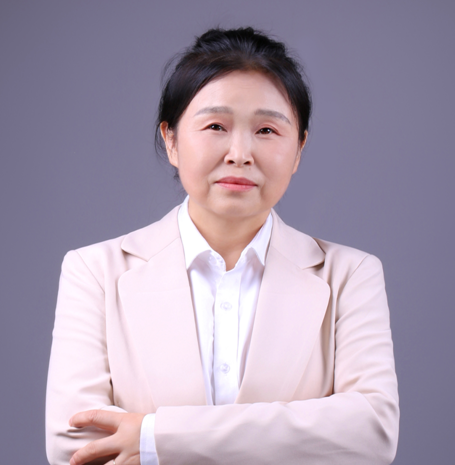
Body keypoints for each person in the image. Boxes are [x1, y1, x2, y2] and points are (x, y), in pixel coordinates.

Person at [45, 27, 399, 465]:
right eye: (216, 126)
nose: (240, 153)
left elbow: (372, 432)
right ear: (171, 140)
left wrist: (155, 436)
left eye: (267, 130)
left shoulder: (349, 275)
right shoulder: (96, 271)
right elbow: (75, 442)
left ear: (299, 149)